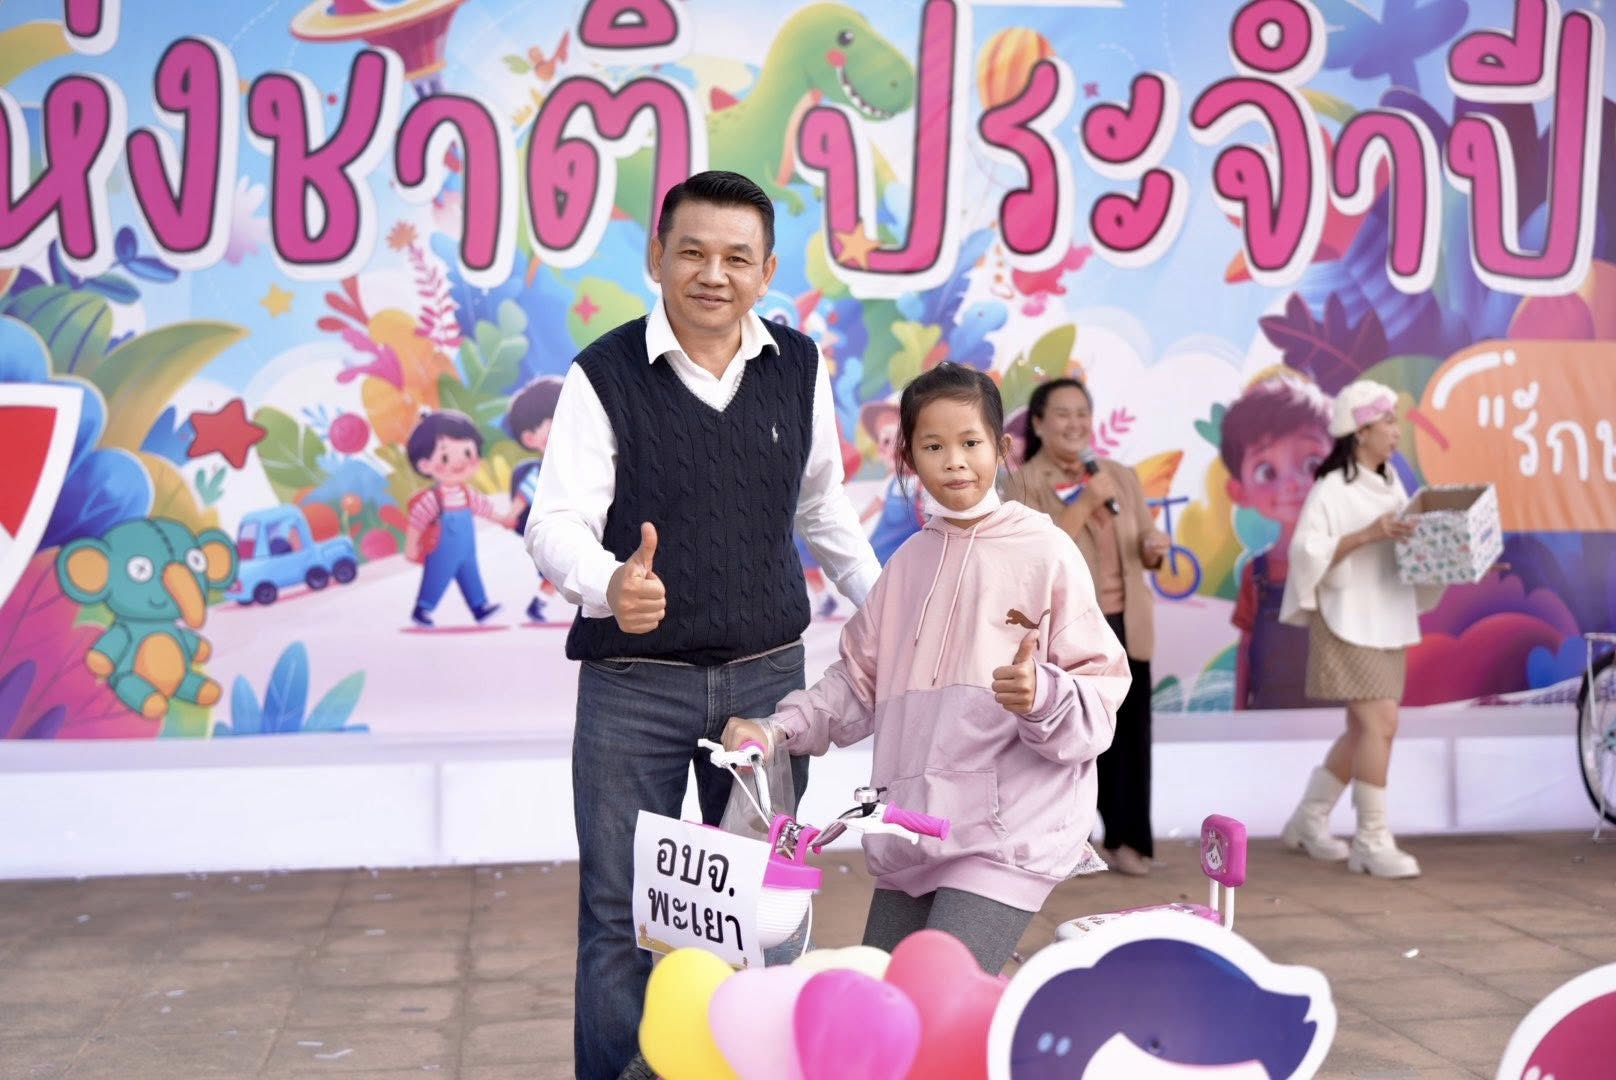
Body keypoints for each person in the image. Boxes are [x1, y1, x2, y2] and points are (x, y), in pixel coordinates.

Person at [524, 170, 880, 1080]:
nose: (712, 274)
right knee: (620, 914)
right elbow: (554, 522)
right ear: (657, 258)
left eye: (735, 257)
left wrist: (889, 610)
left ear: (766, 271)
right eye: (692, 252)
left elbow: (823, 505)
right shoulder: (603, 374)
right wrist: (610, 582)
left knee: (765, 908)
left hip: (768, 685)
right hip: (633, 688)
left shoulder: (798, 365)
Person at [725, 362, 1129, 974]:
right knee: (884, 1000)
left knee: (935, 994)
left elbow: (1099, 690)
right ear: (909, 457)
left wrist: (1042, 693)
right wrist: (778, 728)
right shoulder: (907, 565)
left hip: (1006, 834)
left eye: (970, 443)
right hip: (913, 829)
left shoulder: (1046, 551)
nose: (955, 462)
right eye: (933, 447)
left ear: (1002, 448)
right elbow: (857, 683)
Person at [1003, 378, 1169, 877]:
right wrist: (1082, 504)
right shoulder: (1023, 484)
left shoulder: (1119, 475)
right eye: (1062, 413)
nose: (1075, 423)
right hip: (1070, 630)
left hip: (1127, 622)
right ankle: (1059, 841)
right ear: (1038, 423)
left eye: (1082, 413)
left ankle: (1128, 840)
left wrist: (1153, 548)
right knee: (1070, 738)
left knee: (1131, 737)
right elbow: (1038, 556)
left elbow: (1142, 541)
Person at [1278, 380, 1441, 878]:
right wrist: (1367, 534)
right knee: (1379, 724)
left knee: (1365, 728)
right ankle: (1371, 839)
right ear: (1360, 430)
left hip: (1387, 616)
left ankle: (1309, 819)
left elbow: (1407, 547)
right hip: (1346, 618)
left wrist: (1454, 557)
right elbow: (1306, 552)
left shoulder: (1391, 483)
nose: (1395, 431)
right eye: (1387, 422)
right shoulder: (1332, 488)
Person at [1223, 374, 1334, 709]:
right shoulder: (1256, 574)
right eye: (1267, 471)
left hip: (1337, 719)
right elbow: (1247, 646)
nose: (1293, 484)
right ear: (1239, 491)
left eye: (1312, 464)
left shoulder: (1347, 559)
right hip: (1270, 717)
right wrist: (1240, 710)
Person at [403, 409, 513, 627]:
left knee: (471, 573)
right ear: (424, 465)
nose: (459, 462)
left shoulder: (467, 493)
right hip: (442, 549)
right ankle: (422, 608)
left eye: (468, 453)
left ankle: (479, 606)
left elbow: (484, 508)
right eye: (445, 457)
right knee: (436, 576)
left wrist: (502, 519)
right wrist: (411, 546)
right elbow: (417, 522)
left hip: (466, 548)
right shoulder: (434, 498)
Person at [506, 376, 563, 623]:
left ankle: (538, 605)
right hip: (555, 531)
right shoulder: (541, 472)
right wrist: (511, 516)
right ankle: (538, 605)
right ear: (531, 439)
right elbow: (524, 495)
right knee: (560, 572)